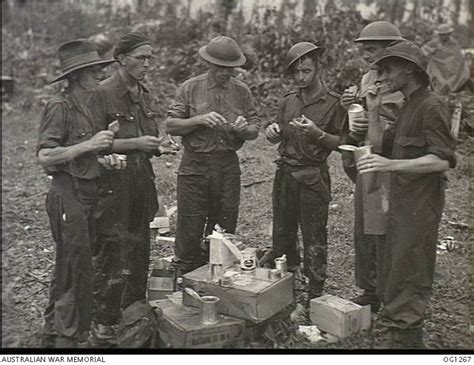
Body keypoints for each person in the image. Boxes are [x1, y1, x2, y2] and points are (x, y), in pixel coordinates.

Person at [358, 40, 456, 348]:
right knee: (396, 267)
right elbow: (377, 146)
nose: (382, 75)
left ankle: (406, 340)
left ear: (411, 69)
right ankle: (400, 333)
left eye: (389, 68)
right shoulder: (406, 105)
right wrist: (373, 111)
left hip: (420, 205)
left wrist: (393, 164)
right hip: (400, 204)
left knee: (411, 268)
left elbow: (443, 159)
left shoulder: (431, 105)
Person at [37, 39, 115, 348]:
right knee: (73, 264)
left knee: (72, 263)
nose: (98, 74)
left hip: (87, 191)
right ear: (76, 75)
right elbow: (45, 156)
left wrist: (103, 158)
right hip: (66, 192)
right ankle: (66, 341)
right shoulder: (59, 106)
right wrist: (89, 146)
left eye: (99, 68)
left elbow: (86, 151)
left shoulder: (91, 104)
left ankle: (52, 331)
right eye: (92, 70)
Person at [89, 31, 162, 345]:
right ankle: (104, 319)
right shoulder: (102, 93)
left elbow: (150, 134)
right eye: (141, 57)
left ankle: (133, 311)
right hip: (112, 181)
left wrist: (158, 146)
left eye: (149, 58)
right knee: (113, 250)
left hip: (141, 179)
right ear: (121, 59)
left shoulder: (142, 92)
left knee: (139, 247)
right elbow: (91, 143)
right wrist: (136, 143)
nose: (147, 63)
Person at [166, 36, 260, 275]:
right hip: (195, 164)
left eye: (230, 69)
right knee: (190, 222)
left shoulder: (241, 91)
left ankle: (217, 274)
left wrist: (243, 128)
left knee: (225, 222)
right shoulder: (190, 87)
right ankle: (185, 274)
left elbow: (254, 129)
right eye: (220, 68)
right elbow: (171, 125)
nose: (225, 73)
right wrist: (198, 119)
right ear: (209, 63)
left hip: (227, 165)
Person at [264, 42, 345, 300]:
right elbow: (277, 133)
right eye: (296, 72)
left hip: (312, 177)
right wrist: (272, 132)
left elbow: (344, 143)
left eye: (306, 71)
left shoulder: (333, 103)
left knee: (314, 235)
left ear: (317, 69)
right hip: (285, 174)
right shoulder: (288, 101)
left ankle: (315, 290)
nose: (301, 77)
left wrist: (317, 133)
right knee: (282, 231)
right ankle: (285, 281)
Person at [340, 21, 405, 312]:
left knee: (387, 229)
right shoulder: (368, 77)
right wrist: (353, 108)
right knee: (365, 227)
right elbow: (364, 118)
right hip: (368, 158)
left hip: (394, 162)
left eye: (372, 50)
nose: (366, 56)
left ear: (390, 49)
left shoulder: (404, 80)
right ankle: (369, 290)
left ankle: (391, 292)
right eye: (364, 50)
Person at [421, 24, 470, 95]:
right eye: (441, 35)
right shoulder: (434, 42)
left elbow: (458, 57)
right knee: (433, 72)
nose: (442, 36)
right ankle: (438, 90)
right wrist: (434, 50)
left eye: (444, 34)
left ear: (449, 34)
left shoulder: (454, 43)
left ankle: (454, 88)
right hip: (437, 67)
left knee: (462, 68)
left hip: (451, 67)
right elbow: (423, 51)